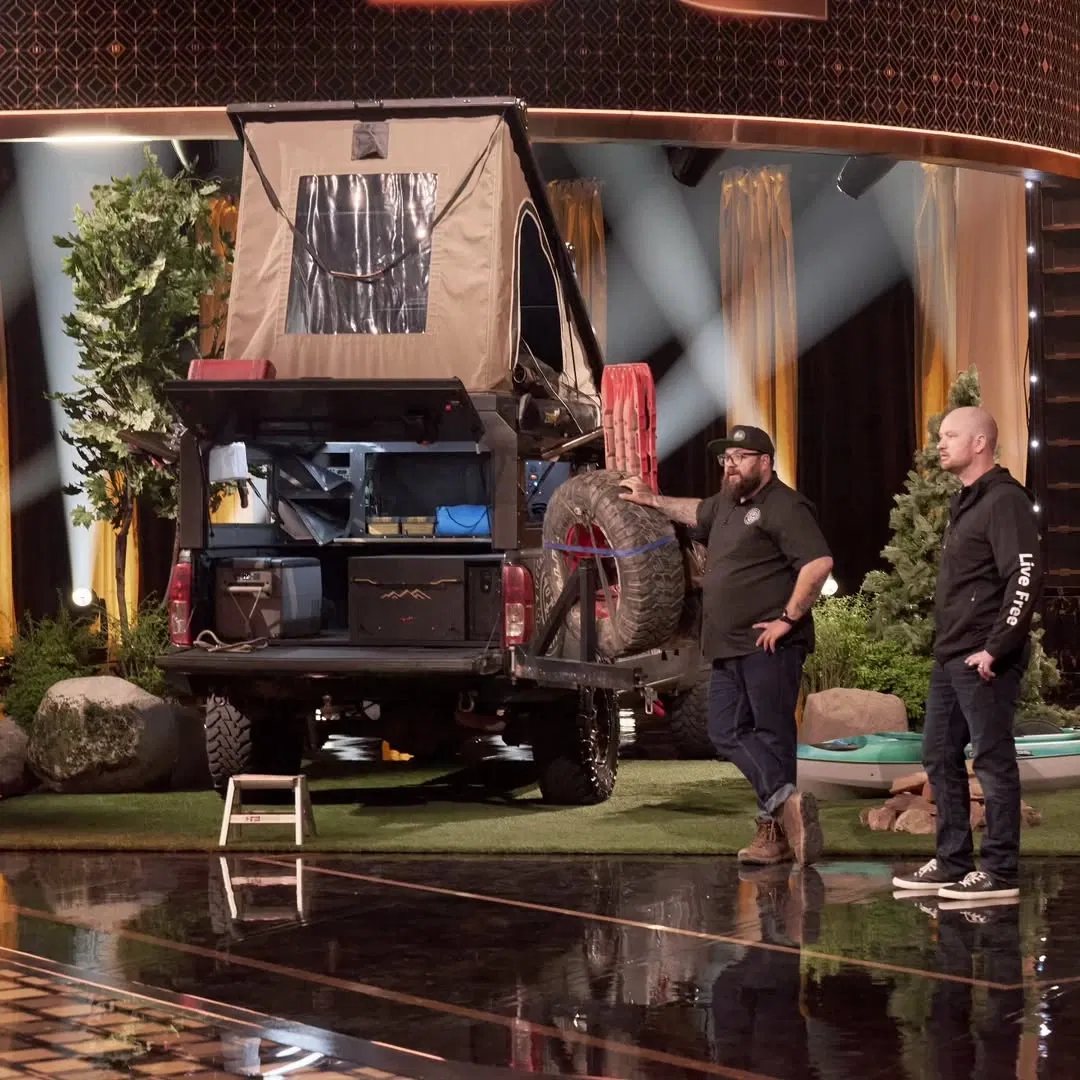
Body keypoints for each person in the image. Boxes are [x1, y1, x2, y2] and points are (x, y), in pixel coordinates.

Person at [621, 425, 834, 866]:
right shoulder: (726, 505)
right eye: (726, 458)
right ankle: (784, 802)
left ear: (764, 461)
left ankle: (772, 833)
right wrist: (651, 499)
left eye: (740, 456)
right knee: (724, 731)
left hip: (769, 646)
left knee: (772, 734)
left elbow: (817, 564)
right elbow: (694, 510)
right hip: (725, 646)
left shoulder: (784, 505)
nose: (730, 464)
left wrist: (787, 619)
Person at [893, 406, 1042, 902]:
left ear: (980, 443)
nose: (941, 443)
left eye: (950, 435)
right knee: (938, 754)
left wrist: (995, 649)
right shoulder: (967, 501)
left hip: (982, 658)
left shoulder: (1004, 500)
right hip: (951, 655)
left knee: (993, 762)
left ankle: (999, 871)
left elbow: (1023, 577)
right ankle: (953, 861)